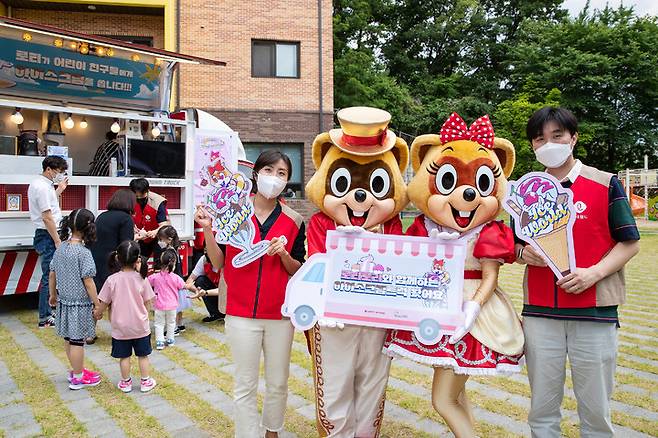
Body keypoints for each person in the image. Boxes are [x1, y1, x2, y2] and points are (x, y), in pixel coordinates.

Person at [516, 107, 640, 437]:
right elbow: (512, 246)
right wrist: (522, 253)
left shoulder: (604, 184)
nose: (549, 143)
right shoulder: (525, 193)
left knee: (596, 412)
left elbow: (630, 243)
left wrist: (594, 273)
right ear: (533, 145)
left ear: (574, 138)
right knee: (541, 410)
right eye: (540, 138)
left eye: (557, 135)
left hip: (595, 313)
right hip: (541, 314)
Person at [195, 150, 306, 438]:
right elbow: (218, 263)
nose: (275, 178)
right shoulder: (232, 211)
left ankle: (272, 431)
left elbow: (297, 269)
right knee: (245, 384)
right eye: (269, 170)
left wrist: (282, 254)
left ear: (287, 181)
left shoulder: (294, 220)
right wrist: (208, 229)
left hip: (280, 314)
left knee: (278, 381)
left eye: (282, 174)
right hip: (240, 312)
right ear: (255, 173)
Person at [48, 208, 101, 390]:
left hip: (64, 301)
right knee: (78, 341)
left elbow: (52, 274)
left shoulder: (61, 247)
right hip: (79, 303)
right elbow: (88, 282)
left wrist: (53, 295)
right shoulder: (83, 252)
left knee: (69, 339)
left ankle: (76, 370)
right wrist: (97, 303)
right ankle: (78, 377)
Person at [94, 240, 157, 393]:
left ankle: (125, 382)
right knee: (143, 356)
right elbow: (149, 302)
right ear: (138, 260)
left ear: (117, 258)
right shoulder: (142, 279)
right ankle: (145, 381)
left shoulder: (112, 280)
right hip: (140, 326)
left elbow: (103, 301)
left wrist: (98, 313)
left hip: (120, 327)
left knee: (124, 357)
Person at [28, 155, 69, 328]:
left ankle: (47, 312)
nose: (60, 174)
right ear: (49, 169)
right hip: (47, 235)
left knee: (50, 274)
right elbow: (47, 217)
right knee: (49, 276)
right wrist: (58, 240)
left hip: (44, 234)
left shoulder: (41, 184)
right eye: (58, 171)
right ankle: (44, 317)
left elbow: (49, 205)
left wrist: (59, 190)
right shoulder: (43, 187)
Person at [148, 249, 199, 350]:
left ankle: (159, 341)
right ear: (174, 263)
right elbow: (184, 286)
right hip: (172, 306)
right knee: (171, 323)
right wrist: (191, 286)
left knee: (159, 324)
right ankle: (170, 340)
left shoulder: (155, 277)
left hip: (159, 305)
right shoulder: (176, 277)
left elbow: (146, 283)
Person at [91, 189, 136, 292]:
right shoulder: (126, 219)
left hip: (97, 259)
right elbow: (126, 245)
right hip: (113, 263)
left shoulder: (102, 216)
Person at [152, 225, 191, 335]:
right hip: (178, 280)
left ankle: (173, 328)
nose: (160, 242)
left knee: (174, 305)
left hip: (172, 282)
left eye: (161, 239)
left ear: (169, 239)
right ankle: (179, 324)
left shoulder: (169, 252)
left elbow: (169, 269)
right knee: (178, 305)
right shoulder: (175, 249)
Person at [129, 178, 169, 258]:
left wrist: (155, 232)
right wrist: (134, 228)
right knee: (139, 260)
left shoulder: (157, 201)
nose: (139, 198)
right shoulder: (131, 200)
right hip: (142, 236)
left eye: (141, 195)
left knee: (160, 261)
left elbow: (164, 224)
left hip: (158, 236)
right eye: (137, 196)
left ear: (147, 191)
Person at [186, 245, 225, 322]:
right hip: (214, 290)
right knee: (200, 280)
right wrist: (197, 291)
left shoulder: (227, 262)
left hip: (227, 293)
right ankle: (215, 314)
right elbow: (189, 281)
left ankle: (228, 313)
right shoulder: (204, 260)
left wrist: (206, 292)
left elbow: (227, 289)